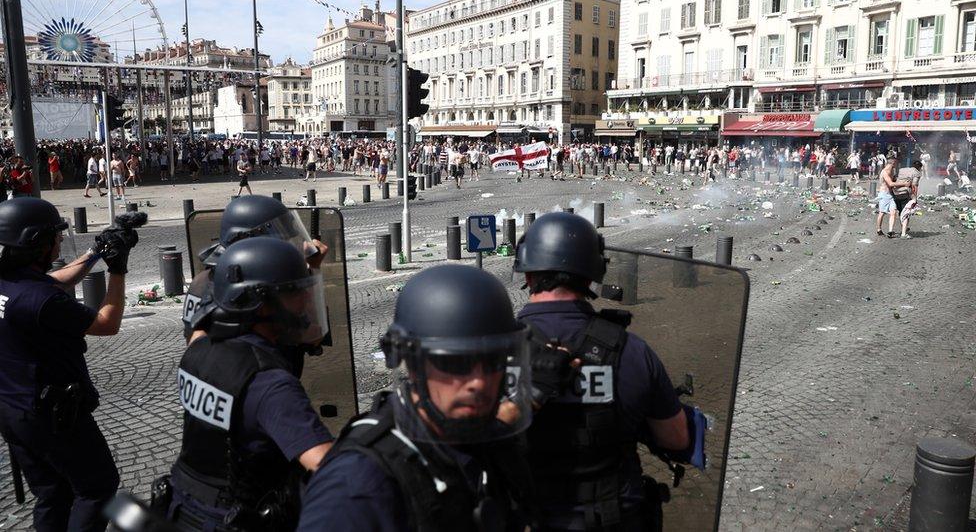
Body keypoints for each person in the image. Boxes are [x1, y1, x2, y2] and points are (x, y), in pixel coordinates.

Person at [297, 264, 534, 532]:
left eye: (492, 360)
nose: (478, 382)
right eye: (455, 363)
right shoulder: (357, 484)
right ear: (413, 366)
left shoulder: (488, 445)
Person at [512, 212, 706, 531]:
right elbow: (676, 438)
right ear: (592, 275)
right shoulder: (633, 351)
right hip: (613, 518)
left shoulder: (493, 350)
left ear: (528, 274)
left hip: (525, 518)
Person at [161, 237, 334, 530]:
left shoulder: (197, 351)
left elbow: (202, 325)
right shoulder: (269, 383)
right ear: (260, 302)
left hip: (182, 509)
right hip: (239, 518)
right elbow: (330, 466)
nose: (305, 302)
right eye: (293, 292)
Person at [0, 197, 136, 531]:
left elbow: (55, 280)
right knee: (97, 488)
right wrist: (117, 270)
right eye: (56, 239)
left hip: (11, 408)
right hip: (52, 415)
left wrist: (96, 253)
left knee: (53, 493)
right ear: (36, 244)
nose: (60, 243)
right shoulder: (41, 301)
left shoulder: (13, 282)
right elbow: (107, 323)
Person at [182, 195, 327, 344]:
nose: (285, 249)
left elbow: (193, 343)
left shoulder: (205, 280)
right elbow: (314, 335)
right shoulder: (253, 290)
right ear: (248, 239)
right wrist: (313, 269)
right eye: (279, 242)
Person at [876, 158, 910, 238]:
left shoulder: (892, 171)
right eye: (896, 163)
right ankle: (879, 229)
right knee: (882, 212)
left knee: (893, 212)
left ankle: (890, 231)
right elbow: (891, 184)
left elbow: (894, 181)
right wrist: (904, 184)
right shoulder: (885, 172)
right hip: (884, 194)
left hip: (891, 195)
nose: (897, 165)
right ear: (893, 163)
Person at [896, 160, 922, 239]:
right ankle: (903, 234)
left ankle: (904, 227)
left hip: (896, 192)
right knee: (906, 213)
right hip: (905, 193)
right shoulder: (917, 173)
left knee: (901, 211)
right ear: (919, 167)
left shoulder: (902, 169)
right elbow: (914, 186)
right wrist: (915, 198)